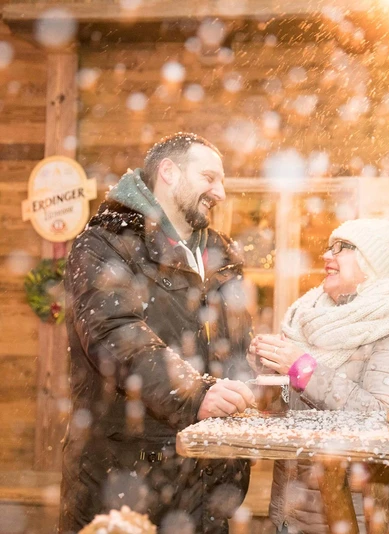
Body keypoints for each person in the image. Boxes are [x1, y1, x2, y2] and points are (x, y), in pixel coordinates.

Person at [60, 133, 256, 534]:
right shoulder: (105, 244)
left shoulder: (221, 253)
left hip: (207, 481)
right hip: (128, 477)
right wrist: (194, 393)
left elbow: (231, 347)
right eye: (209, 177)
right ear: (168, 172)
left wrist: (256, 370)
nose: (220, 191)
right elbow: (116, 334)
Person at [248, 218, 389, 534]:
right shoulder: (310, 315)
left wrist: (303, 369)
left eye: (343, 248)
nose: (327, 255)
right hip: (292, 514)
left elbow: (386, 419)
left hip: (353, 517)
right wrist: (268, 368)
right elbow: (302, 411)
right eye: (329, 247)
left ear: (373, 260)